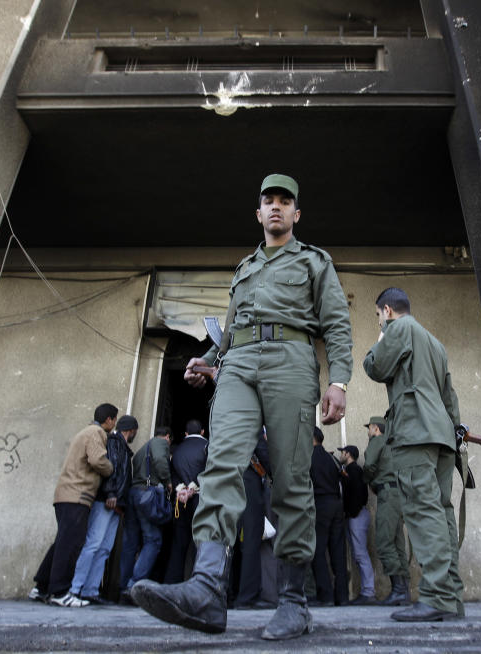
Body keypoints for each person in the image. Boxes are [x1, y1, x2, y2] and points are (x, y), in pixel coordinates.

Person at [132, 174, 352, 640]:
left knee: (291, 478)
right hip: (237, 366)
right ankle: (208, 589)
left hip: (291, 361)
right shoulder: (244, 267)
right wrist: (207, 360)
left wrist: (339, 381)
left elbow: (335, 323)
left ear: (296, 213)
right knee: (221, 463)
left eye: (284, 201)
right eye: (268, 201)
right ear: (258, 213)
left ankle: (293, 601)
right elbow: (230, 332)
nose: (276, 207)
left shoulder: (315, 261)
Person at [362, 287, 463, 622]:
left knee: (422, 511)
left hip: (415, 431)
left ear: (387, 310)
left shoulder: (400, 328)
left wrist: (380, 336)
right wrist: (454, 430)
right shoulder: (434, 342)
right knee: (442, 511)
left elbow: (376, 367)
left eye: (379, 315)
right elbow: (450, 396)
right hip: (442, 436)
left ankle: (435, 597)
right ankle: (450, 597)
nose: (380, 320)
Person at [29, 403, 117, 607]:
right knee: (72, 543)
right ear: (109, 420)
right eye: (114, 420)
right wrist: (111, 468)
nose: (114, 424)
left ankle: (41, 587)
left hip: (65, 495)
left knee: (62, 541)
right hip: (78, 495)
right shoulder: (96, 432)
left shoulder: (84, 432)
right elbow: (97, 460)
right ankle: (60, 592)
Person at [70, 414, 138, 604]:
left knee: (104, 548)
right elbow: (112, 469)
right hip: (108, 501)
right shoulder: (115, 444)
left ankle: (90, 590)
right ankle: (76, 588)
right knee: (94, 544)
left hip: (115, 505)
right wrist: (110, 494)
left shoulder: (121, 446)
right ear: (131, 430)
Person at [362, 416, 411, 606]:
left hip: (387, 495)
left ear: (375, 428)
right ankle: (404, 591)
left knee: (383, 541)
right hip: (399, 494)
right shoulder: (394, 444)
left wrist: (368, 481)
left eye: (369, 428)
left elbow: (369, 465)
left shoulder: (377, 441)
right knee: (397, 543)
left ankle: (399, 590)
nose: (368, 432)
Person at [120, 426, 173, 599]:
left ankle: (122, 584)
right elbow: (159, 461)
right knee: (153, 540)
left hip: (134, 493)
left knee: (131, 542)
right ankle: (134, 584)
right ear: (167, 437)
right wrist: (168, 482)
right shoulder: (160, 443)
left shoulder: (143, 448)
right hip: (147, 495)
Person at [235, 429, 278, 610]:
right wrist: (276, 474)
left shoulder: (229, 421)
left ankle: (230, 592)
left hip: (229, 481)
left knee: (232, 541)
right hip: (248, 482)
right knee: (252, 540)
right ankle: (246, 596)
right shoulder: (253, 422)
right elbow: (262, 451)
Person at [164, 419, 208, 584]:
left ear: (186, 434)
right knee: (202, 543)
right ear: (203, 432)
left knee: (178, 543)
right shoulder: (207, 447)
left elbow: (171, 474)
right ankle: (200, 582)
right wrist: (193, 489)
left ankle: (172, 581)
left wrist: (181, 490)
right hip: (200, 500)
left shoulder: (177, 450)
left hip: (180, 501)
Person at [310, 427, 349, 607]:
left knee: (317, 551)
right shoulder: (331, 458)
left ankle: (325, 595)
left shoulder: (308, 457)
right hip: (336, 504)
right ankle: (342, 596)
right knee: (338, 552)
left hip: (320, 505)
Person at [338, 444, 375, 605]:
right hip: (355, 516)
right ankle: (367, 591)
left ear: (348, 454)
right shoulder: (350, 470)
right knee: (358, 554)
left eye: (342, 453)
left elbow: (359, 495)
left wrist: (351, 513)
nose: (341, 455)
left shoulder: (354, 471)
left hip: (357, 516)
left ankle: (368, 592)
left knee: (360, 554)